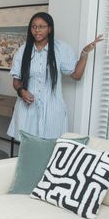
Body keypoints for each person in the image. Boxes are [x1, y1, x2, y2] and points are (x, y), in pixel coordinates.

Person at [7, 12, 103, 140]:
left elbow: (76, 75)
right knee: (27, 147)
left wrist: (84, 53)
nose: (37, 30)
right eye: (34, 27)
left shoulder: (61, 49)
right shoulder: (23, 51)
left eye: (41, 26)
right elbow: (16, 81)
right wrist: (21, 91)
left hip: (52, 111)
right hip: (27, 110)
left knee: (51, 147)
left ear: (50, 29)